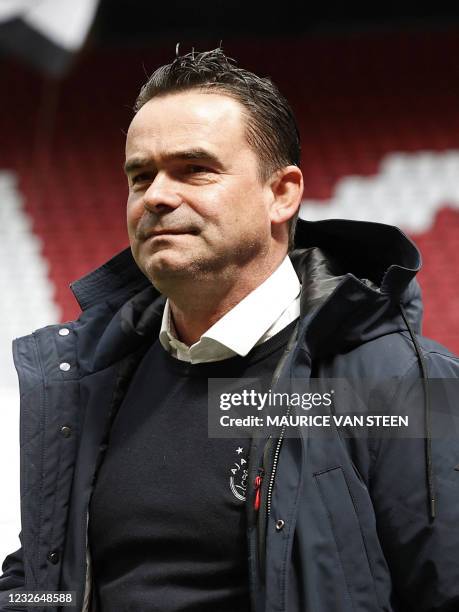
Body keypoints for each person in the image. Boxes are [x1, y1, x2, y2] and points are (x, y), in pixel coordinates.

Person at [1, 48, 459, 612]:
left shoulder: (396, 384)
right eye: (140, 176)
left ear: (282, 193)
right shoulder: (89, 382)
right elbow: (45, 580)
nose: (158, 196)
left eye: (194, 169)